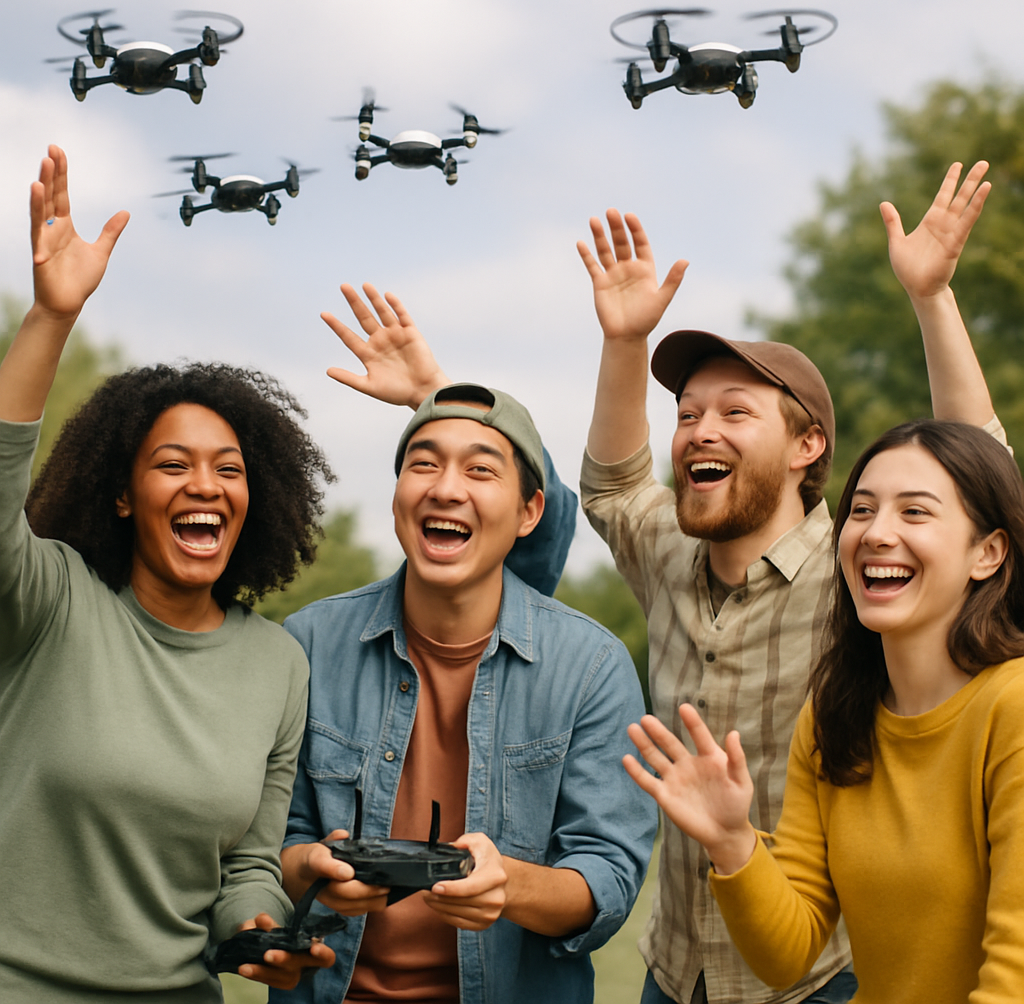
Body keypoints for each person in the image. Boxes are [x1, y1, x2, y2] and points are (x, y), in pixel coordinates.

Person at [576, 160, 1001, 1004]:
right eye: (690, 412)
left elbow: (979, 475)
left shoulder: (862, 573)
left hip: (816, 975)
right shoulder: (667, 551)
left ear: (808, 447)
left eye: (737, 412)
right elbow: (615, 487)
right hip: (676, 967)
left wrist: (931, 297)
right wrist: (624, 342)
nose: (701, 428)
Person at [0, 146, 335, 1001]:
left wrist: (260, 931)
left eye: (229, 469)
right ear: (121, 496)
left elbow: (249, 866)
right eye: (172, 465)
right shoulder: (52, 602)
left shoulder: (278, 666)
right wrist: (50, 317)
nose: (204, 486)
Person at [272, 364, 657, 1003]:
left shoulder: (592, 666)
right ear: (397, 491)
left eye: (480, 470)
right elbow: (270, 842)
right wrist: (307, 870)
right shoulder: (309, 643)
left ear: (530, 510)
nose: (446, 489)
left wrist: (509, 886)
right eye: (423, 464)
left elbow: (607, 876)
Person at [624, 418, 1024, 1003]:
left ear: (987, 552)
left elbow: (1013, 977)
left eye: (915, 512)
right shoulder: (834, 712)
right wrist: (732, 841)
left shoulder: (1009, 707)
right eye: (861, 510)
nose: (876, 533)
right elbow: (787, 955)